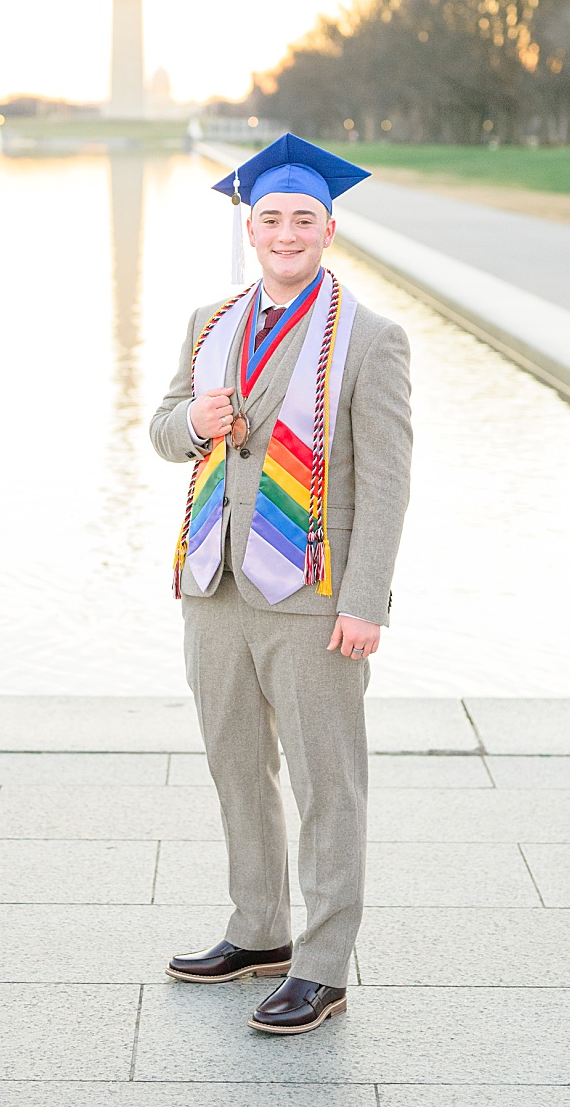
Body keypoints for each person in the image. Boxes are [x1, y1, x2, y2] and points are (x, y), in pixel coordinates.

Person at [145, 133, 412, 1035]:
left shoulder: (372, 339)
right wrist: (194, 419)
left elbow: (385, 480)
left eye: (304, 219)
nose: (286, 233)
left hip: (312, 585)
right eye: (271, 219)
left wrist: (366, 601)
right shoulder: (210, 324)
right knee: (234, 763)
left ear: (329, 229)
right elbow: (160, 427)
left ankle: (325, 963)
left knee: (326, 779)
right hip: (215, 581)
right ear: (249, 228)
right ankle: (258, 928)